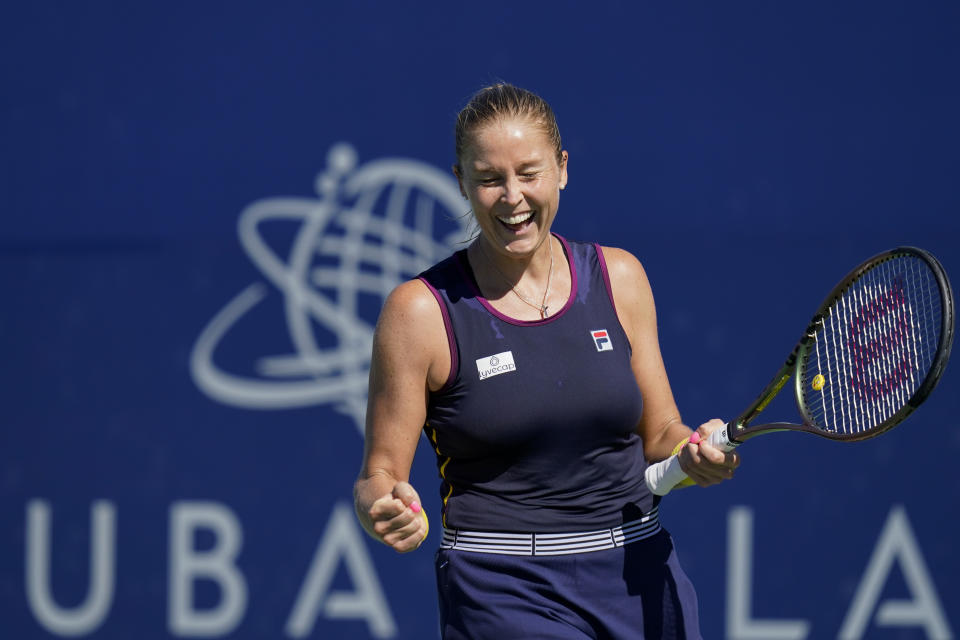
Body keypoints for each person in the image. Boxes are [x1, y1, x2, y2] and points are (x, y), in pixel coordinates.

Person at [354, 82, 740, 639]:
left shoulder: (620, 277)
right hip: (503, 589)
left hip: (640, 572)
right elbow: (378, 475)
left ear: (562, 168)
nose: (512, 196)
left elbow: (659, 432)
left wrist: (693, 453)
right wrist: (382, 506)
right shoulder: (419, 311)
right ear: (462, 183)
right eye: (489, 179)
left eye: (529, 173)